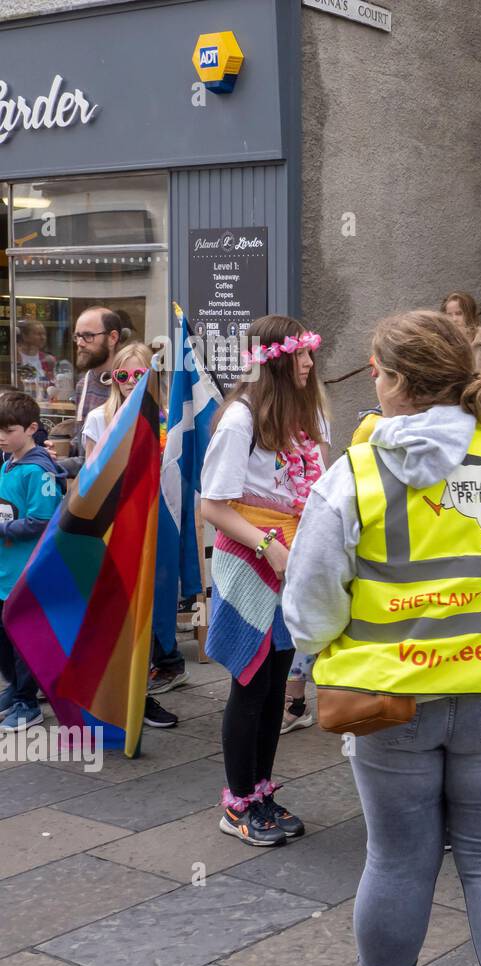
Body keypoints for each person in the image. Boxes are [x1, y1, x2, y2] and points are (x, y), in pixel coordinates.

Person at [283, 309, 481, 966]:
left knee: (397, 858)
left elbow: (308, 604)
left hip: (389, 696)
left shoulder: (355, 473)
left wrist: (334, 648)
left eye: (377, 371)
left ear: (395, 382)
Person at [200, 314, 329, 847]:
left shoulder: (308, 416)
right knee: (250, 682)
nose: (308, 364)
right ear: (273, 360)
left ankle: (261, 792)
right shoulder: (240, 420)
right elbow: (212, 505)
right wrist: (268, 545)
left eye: (308, 355)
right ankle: (237, 803)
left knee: (277, 681)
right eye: (299, 355)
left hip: (290, 556)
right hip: (253, 557)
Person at [80, 342, 186, 724]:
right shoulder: (98, 418)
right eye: (122, 375)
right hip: (112, 526)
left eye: (138, 375)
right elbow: (90, 479)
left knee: (147, 610)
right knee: (114, 611)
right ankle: (111, 695)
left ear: (151, 376)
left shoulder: (167, 418)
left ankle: (140, 696)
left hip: (152, 524)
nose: (128, 382)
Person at [0, 392, 65, 731]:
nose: (1, 436)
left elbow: (42, 520)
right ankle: (17, 689)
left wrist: (3, 528)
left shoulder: (37, 470)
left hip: (27, 574)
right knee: (5, 639)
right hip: (5, 571)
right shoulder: (7, 461)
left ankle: (28, 701)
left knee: (22, 639)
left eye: (8, 430)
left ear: (31, 428)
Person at [71, 306, 121, 455]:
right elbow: (81, 444)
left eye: (88, 336)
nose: (80, 343)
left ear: (112, 338)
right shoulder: (84, 384)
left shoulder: (129, 384)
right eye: (77, 336)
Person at [441, 291, 481, 369]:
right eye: (449, 315)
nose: (454, 319)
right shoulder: (442, 343)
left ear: (470, 314)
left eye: (459, 313)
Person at [15, 321, 56, 401]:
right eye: (38, 334)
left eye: (44, 334)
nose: (43, 337)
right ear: (25, 336)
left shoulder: (49, 360)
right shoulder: (14, 357)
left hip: (45, 408)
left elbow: (54, 387)